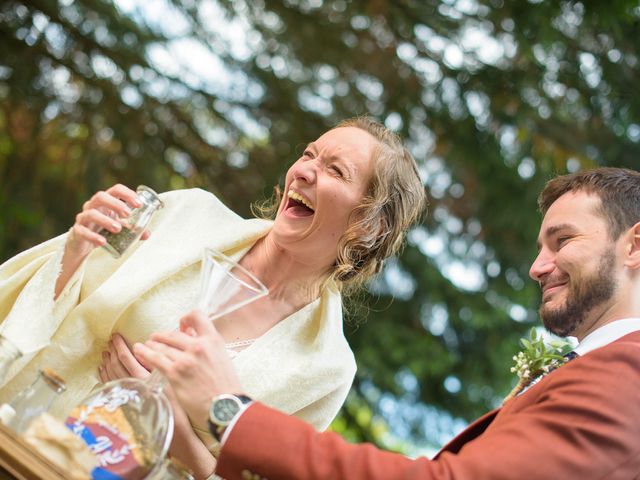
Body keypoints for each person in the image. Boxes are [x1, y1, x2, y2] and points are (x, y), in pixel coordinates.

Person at [137, 167, 640, 479]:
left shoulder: (629, 377)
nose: (537, 267)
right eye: (539, 248)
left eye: (562, 240)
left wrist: (230, 413)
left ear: (634, 245)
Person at [0, 116, 426, 477]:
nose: (304, 170)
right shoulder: (188, 213)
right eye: (309, 154)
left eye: (336, 170)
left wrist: (177, 433)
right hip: (18, 441)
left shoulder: (327, 369)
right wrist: (75, 250)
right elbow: (41, 303)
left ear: (369, 225)